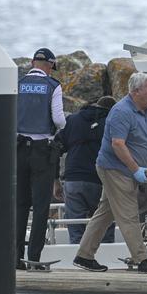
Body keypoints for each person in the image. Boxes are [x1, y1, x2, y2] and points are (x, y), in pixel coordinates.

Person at [73, 72, 147, 274]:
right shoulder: (121, 111)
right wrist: (136, 170)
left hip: (131, 170)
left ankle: (84, 256)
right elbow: (117, 144)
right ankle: (142, 260)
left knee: (105, 213)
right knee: (128, 214)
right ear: (136, 91)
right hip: (115, 168)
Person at [16, 48, 66, 269]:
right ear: (50, 66)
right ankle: (34, 256)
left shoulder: (17, 83)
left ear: (31, 63)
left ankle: (15, 257)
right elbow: (59, 120)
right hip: (42, 150)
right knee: (41, 206)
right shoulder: (53, 86)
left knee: (20, 205)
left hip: (19, 148)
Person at [55, 96, 117, 244]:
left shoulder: (72, 121)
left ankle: (76, 258)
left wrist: (55, 179)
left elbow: (54, 150)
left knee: (75, 226)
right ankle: (107, 257)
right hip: (101, 180)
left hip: (73, 180)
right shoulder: (112, 123)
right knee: (104, 224)